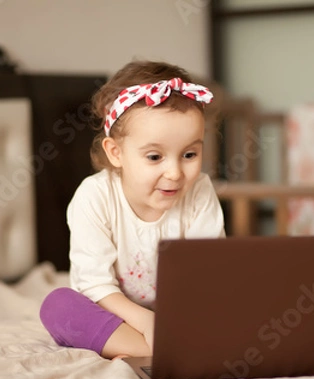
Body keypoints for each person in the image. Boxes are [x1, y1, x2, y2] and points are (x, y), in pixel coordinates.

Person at [39, 60, 226, 360]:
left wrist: (176, 320)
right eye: (155, 157)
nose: (175, 172)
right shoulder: (94, 196)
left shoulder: (199, 190)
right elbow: (94, 284)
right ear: (116, 153)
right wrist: (147, 322)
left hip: (182, 313)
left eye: (190, 154)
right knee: (58, 306)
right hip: (118, 314)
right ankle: (153, 348)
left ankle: (165, 344)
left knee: (249, 291)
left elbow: (206, 272)